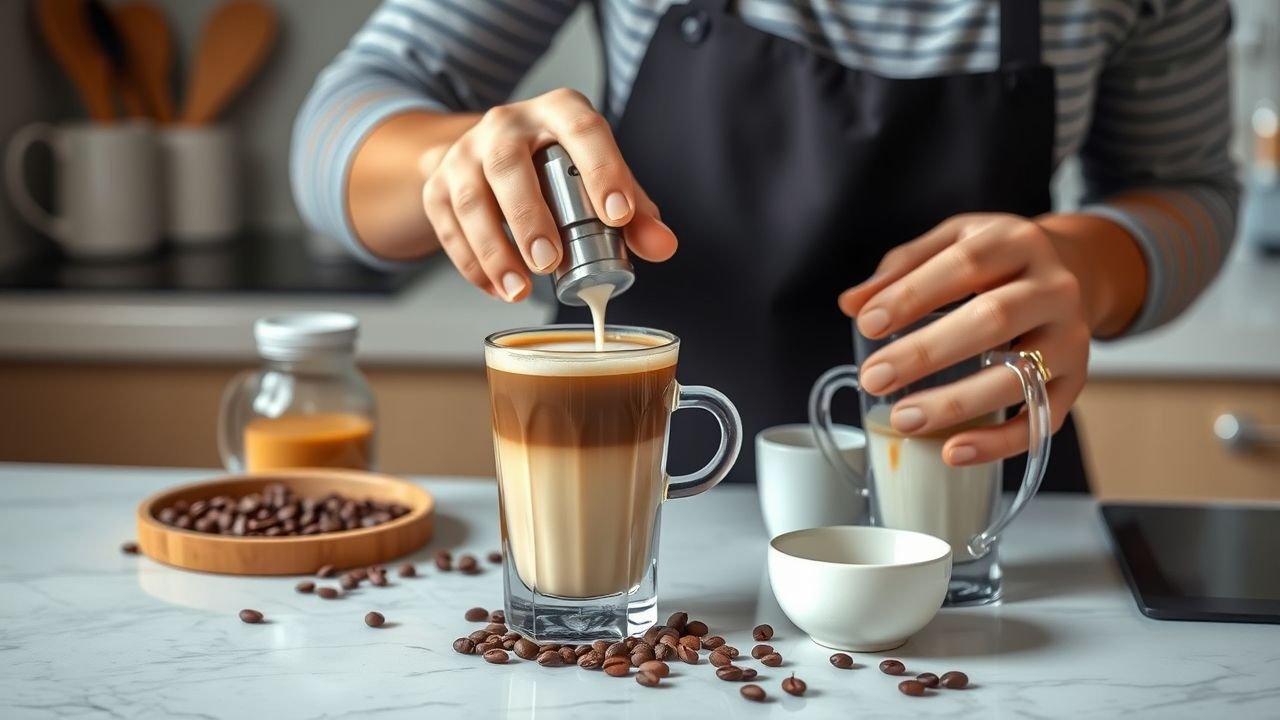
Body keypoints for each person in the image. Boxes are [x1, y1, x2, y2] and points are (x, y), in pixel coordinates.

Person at [291, 0, 1237, 490]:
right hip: (653, 518)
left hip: (979, 503)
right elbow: (338, 126)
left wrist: (1086, 263)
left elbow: (1189, 190)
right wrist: (452, 162)